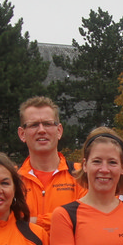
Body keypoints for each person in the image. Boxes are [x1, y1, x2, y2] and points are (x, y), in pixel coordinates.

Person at [16, 96, 84, 231]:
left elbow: (87, 217)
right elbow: (4, 221)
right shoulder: (11, 179)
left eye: (47, 124)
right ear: (22, 134)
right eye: (34, 125)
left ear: (59, 131)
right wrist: (63, 220)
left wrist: (32, 222)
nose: (41, 130)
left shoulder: (82, 174)